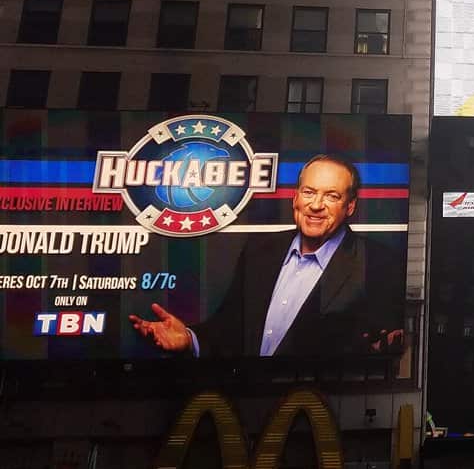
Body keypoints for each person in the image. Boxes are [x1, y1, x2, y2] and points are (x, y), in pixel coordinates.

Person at [129, 153, 404, 357]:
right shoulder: (260, 251)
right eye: (309, 192)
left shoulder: (377, 263)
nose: (316, 205)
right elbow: (230, 330)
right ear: (295, 198)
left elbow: (378, 348)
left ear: (350, 207)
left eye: (332, 196)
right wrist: (190, 339)